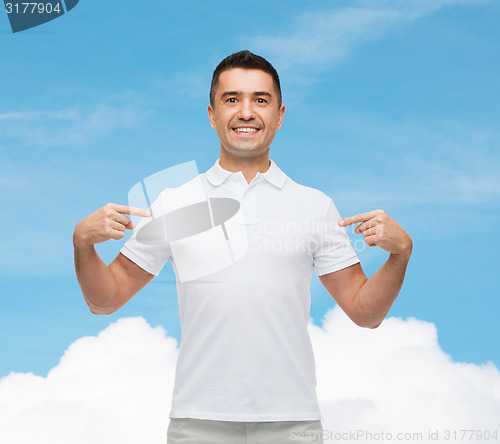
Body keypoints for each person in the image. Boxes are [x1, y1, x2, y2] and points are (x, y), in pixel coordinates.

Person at [73, 50, 413, 444]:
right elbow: (105, 300)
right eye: (232, 99)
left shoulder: (315, 207)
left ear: (280, 115)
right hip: (198, 421)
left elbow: (364, 312)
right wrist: (83, 244)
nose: (246, 112)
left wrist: (399, 254)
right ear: (212, 113)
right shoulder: (175, 203)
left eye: (260, 100)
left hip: (292, 423)